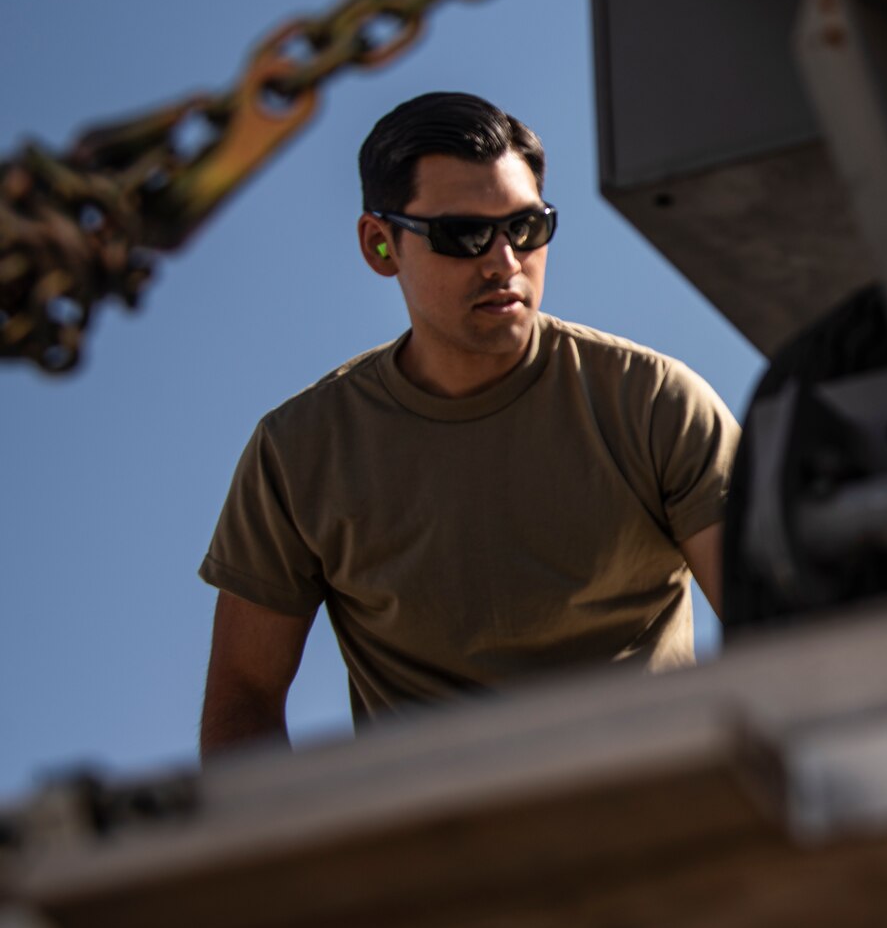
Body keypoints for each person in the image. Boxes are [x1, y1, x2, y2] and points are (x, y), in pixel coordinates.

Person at [197, 92, 738, 760]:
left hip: (664, 819)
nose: (504, 260)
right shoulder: (302, 453)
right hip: (435, 849)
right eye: (464, 235)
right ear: (379, 243)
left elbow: (778, 622)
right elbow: (244, 695)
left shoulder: (653, 403)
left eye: (527, 228)